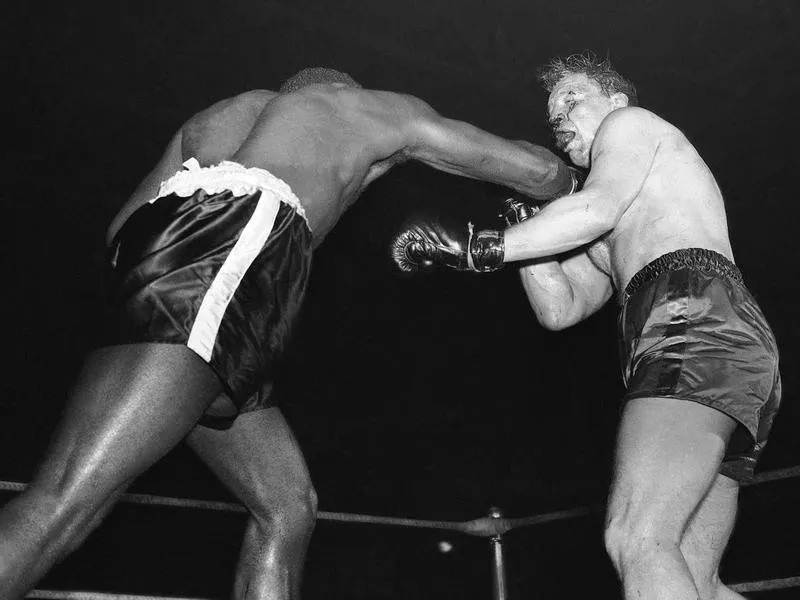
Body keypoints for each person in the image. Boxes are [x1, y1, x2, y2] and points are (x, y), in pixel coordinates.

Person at [0, 67, 577, 600]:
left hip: (174, 268)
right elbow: (535, 170)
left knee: (286, 505)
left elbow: (119, 230)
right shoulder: (366, 110)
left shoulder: (214, 118)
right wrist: (589, 188)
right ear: (339, 91)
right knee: (66, 502)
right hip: (226, 254)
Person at [391, 53, 781, 600]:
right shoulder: (613, 211)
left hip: (692, 314)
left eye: (574, 99)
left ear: (616, 102)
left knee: (636, 536)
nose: (560, 118)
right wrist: (526, 234)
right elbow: (563, 308)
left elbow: (596, 209)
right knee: (692, 577)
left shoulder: (633, 127)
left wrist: (479, 248)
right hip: (706, 339)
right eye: (554, 114)